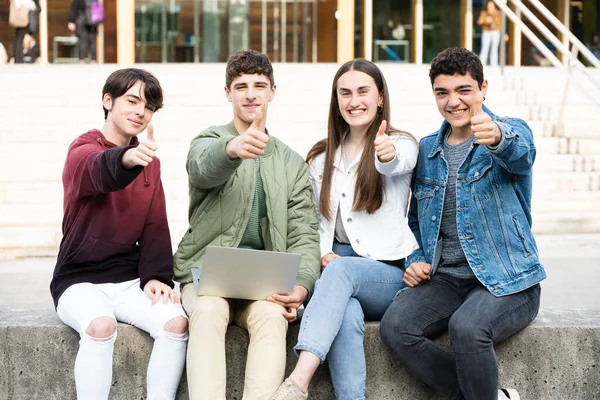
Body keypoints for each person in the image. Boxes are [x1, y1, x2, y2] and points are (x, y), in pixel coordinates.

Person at [380, 47, 546, 400]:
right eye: (443, 92)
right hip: (446, 279)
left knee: (467, 328)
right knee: (395, 327)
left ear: (483, 87)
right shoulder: (427, 150)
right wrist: (414, 261)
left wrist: (499, 137)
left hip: (508, 280)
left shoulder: (507, 131)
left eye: (464, 90)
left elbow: (522, 153)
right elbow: (414, 221)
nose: (453, 102)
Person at [173, 49, 320, 400]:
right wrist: (232, 149)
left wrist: (300, 286)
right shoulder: (210, 141)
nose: (251, 94)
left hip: (262, 284)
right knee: (208, 311)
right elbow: (201, 167)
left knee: (272, 318)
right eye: (241, 86)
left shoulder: (290, 161)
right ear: (228, 93)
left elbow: (304, 231)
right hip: (205, 276)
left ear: (272, 91)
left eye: (259, 85)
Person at [271, 59, 419, 400]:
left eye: (363, 91)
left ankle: (298, 382)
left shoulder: (401, 143)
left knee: (340, 272)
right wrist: (321, 252)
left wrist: (386, 153)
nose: (354, 101)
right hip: (336, 269)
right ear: (336, 102)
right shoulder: (322, 157)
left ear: (380, 98)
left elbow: (397, 161)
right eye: (345, 93)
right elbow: (312, 221)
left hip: (387, 272)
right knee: (347, 313)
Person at [50, 68, 189, 400]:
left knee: (176, 325)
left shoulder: (150, 164)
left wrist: (156, 276)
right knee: (101, 326)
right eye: (132, 101)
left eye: (150, 106)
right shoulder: (82, 149)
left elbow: (156, 223)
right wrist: (126, 157)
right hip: (78, 279)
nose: (141, 112)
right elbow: (99, 169)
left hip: (127, 279)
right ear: (107, 101)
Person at [477, 0, 501, 66]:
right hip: (486, 32)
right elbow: (479, 22)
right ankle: (481, 65)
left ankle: (494, 65)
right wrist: (485, 20)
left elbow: (501, 24)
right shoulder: (484, 13)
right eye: (488, 5)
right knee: (484, 49)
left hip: (495, 32)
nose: (489, 6)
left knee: (494, 50)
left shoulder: (498, 13)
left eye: (491, 5)